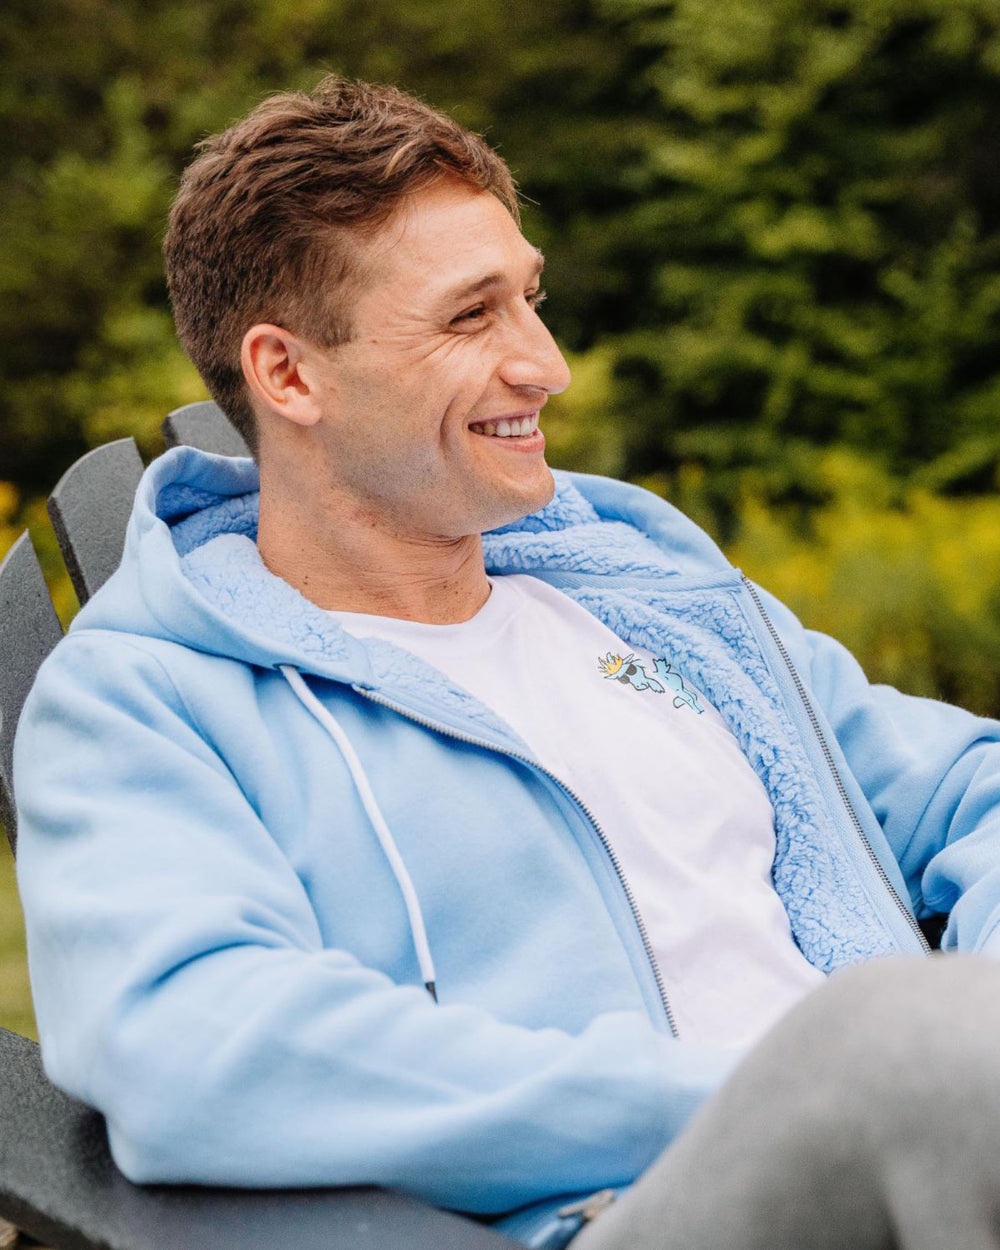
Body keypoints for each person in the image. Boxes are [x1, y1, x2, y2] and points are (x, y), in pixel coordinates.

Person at [13, 76, 1000, 1250]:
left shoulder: (645, 597)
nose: (548, 365)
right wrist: (781, 1083)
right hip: (609, 1213)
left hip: (933, 1133)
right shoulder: (151, 699)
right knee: (904, 1054)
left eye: (530, 298)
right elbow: (193, 1039)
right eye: (470, 317)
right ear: (288, 375)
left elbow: (964, 783)